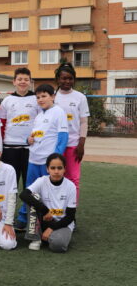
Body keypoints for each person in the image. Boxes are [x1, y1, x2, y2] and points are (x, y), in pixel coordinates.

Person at [15, 84, 69, 230]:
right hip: (33, 159)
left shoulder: (58, 112)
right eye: (38, 97)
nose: (40, 99)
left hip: (47, 162)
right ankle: (23, 218)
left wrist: (55, 159)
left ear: (53, 97)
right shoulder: (39, 115)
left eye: (44, 96)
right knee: (29, 191)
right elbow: (34, 136)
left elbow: (63, 137)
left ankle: (50, 220)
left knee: (48, 193)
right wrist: (28, 140)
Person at [19, 153, 77, 252]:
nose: (56, 171)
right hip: (45, 219)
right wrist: (45, 210)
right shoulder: (42, 181)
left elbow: (70, 217)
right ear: (47, 169)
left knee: (58, 245)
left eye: (60, 168)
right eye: (53, 168)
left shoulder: (71, 186)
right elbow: (23, 195)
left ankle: (48, 236)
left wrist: (51, 228)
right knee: (32, 197)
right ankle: (36, 237)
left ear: (65, 169)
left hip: (62, 223)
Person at [54, 63, 90, 202]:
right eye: (63, 78)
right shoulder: (52, 97)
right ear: (58, 79)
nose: (67, 81)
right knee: (55, 178)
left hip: (73, 145)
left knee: (73, 179)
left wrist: (81, 144)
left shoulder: (80, 97)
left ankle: (70, 212)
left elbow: (83, 122)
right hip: (55, 145)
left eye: (70, 78)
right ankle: (55, 209)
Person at [0, 68, 40, 190]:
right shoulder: (7, 100)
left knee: (31, 183)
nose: (23, 82)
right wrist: (0, 144)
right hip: (10, 147)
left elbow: (41, 122)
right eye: (20, 79)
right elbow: (2, 123)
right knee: (11, 184)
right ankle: (9, 209)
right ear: (14, 82)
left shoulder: (37, 99)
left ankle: (28, 209)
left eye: (26, 79)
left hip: (31, 148)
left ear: (30, 82)